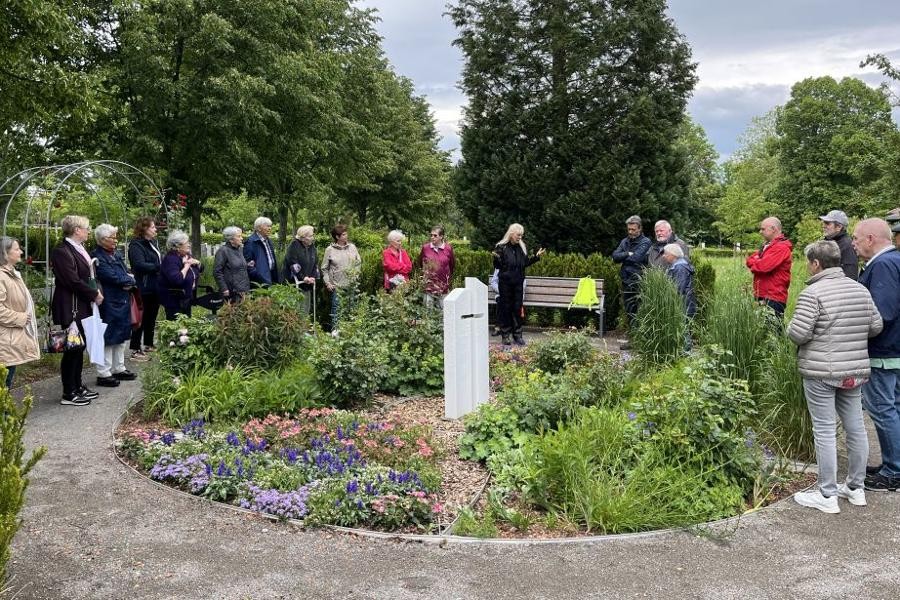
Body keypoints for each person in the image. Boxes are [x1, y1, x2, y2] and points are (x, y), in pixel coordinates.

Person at [787, 240, 883, 512]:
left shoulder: (813, 293)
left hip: (821, 372)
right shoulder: (859, 289)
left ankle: (827, 495)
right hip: (854, 371)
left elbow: (798, 334)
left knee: (825, 431)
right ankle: (856, 488)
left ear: (816, 263)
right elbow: (875, 326)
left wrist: (792, 324)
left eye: (808, 262)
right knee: (856, 428)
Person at [852, 218, 900, 492]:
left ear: (871, 238)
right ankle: (893, 464)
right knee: (894, 408)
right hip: (895, 349)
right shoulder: (895, 260)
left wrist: (853, 333)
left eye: (857, 239)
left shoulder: (882, 265)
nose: (854, 244)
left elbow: (882, 313)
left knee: (883, 410)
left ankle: (893, 471)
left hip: (883, 351)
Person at [50, 215, 103, 406]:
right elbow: (71, 280)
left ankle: (78, 385)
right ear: (76, 230)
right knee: (72, 347)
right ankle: (68, 391)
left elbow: (88, 274)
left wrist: (94, 292)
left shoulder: (79, 248)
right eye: (86, 228)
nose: (88, 231)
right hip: (70, 305)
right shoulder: (62, 251)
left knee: (79, 346)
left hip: (81, 304)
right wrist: (93, 294)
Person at [91, 224, 138, 387]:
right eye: (112, 237)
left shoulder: (116, 254)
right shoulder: (98, 257)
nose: (115, 240)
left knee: (122, 334)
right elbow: (112, 277)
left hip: (122, 299)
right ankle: (104, 372)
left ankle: (119, 368)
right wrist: (129, 280)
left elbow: (125, 273)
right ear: (102, 239)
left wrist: (128, 280)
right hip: (109, 301)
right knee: (109, 336)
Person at [493, 223, 544, 346]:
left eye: (521, 235)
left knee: (517, 309)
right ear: (511, 234)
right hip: (505, 284)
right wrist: (496, 259)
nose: (520, 237)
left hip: (518, 284)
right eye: (518, 235)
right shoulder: (501, 247)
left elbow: (525, 263)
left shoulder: (521, 248)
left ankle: (517, 335)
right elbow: (497, 266)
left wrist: (536, 257)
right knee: (506, 309)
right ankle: (505, 335)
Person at [0, 237, 40, 389]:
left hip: (10, 339)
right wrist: (21, 318)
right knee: (3, 385)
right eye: (16, 249)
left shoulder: (11, 274)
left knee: (6, 384)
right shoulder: (2, 276)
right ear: (5, 253)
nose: (21, 252)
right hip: (5, 340)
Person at [127, 217, 162, 360]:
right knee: (141, 319)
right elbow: (139, 265)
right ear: (144, 229)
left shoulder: (152, 243)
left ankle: (148, 343)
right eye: (153, 227)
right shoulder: (136, 245)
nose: (155, 229)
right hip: (144, 286)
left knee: (151, 317)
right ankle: (135, 348)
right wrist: (159, 267)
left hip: (155, 286)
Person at [745, 216, 792, 320]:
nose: (760, 232)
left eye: (763, 229)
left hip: (773, 296)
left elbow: (763, 267)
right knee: (762, 330)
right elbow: (749, 260)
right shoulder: (768, 245)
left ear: (773, 229)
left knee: (773, 331)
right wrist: (757, 261)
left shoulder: (781, 247)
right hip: (762, 293)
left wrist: (757, 262)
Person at [611, 215, 651, 327]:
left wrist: (623, 256)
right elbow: (615, 256)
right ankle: (632, 336)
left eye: (633, 229)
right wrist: (627, 253)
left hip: (639, 280)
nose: (630, 232)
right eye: (629, 229)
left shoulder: (645, 242)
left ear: (639, 228)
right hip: (625, 280)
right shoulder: (625, 241)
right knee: (629, 310)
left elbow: (636, 258)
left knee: (639, 309)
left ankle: (639, 338)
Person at [320, 224, 361, 331]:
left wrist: (355, 276)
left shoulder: (352, 247)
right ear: (337, 237)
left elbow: (358, 263)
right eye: (343, 234)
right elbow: (324, 268)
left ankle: (350, 332)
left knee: (351, 309)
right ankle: (336, 332)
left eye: (346, 233)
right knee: (336, 309)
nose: (346, 236)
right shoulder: (330, 249)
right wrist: (328, 283)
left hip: (351, 285)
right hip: (337, 285)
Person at [159, 230, 202, 320]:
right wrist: (187, 266)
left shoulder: (185, 255)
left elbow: (199, 270)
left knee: (186, 328)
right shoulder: (171, 259)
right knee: (177, 329)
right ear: (178, 246)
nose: (189, 244)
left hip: (185, 299)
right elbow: (177, 280)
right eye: (186, 242)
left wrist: (198, 263)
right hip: (175, 301)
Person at [661, 243, 696, 351]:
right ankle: (683, 351)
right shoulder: (680, 264)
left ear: (673, 255)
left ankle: (686, 353)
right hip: (685, 301)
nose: (663, 256)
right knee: (683, 326)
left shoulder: (679, 266)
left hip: (683, 302)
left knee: (682, 326)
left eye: (666, 253)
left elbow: (678, 288)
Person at [282, 225, 319, 316]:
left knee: (305, 309)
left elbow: (315, 263)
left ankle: (304, 328)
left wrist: (313, 277)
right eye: (310, 236)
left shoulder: (311, 246)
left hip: (307, 283)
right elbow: (293, 263)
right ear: (303, 237)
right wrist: (303, 277)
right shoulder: (294, 245)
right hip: (295, 283)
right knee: (296, 309)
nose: (312, 238)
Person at [417, 225, 455, 309]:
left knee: (444, 311)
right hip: (429, 285)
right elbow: (420, 263)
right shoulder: (425, 248)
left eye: (435, 235)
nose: (432, 237)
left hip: (443, 286)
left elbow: (452, 265)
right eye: (431, 235)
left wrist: (447, 278)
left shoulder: (448, 248)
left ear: (441, 236)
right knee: (428, 311)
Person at [213, 226, 251, 304]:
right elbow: (217, 272)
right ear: (230, 239)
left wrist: (247, 265)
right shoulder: (223, 251)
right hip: (232, 291)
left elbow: (236, 266)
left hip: (244, 289)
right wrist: (224, 288)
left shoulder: (239, 249)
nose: (242, 238)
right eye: (239, 236)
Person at [820, 209, 857, 280]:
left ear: (839, 227)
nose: (823, 226)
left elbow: (850, 275)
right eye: (824, 223)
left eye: (827, 223)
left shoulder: (847, 245)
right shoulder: (828, 241)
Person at [244, 216, 280, 286]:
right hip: (259, 283)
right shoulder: (251, 242)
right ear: (259, 228)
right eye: (267, 226)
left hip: (270, 277)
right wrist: (260, 277)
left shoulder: (268, 240)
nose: (270, 228)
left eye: (270, 226)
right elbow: (248, 264)